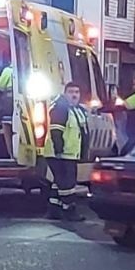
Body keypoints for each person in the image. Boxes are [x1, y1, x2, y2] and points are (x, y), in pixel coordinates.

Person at [43, 81, 90, 221]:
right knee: (67, 184)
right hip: (60, 154)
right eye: (71, 92)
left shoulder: (77, 110)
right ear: (65, 93)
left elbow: (82, 133)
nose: (74, 95)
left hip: (69, 153)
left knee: (59, 182)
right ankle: (69, 211)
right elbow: (56, 131)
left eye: (77, 92)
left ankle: (54, 210)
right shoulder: (60, 109)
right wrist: (59, 150)